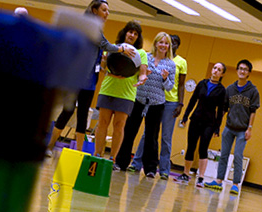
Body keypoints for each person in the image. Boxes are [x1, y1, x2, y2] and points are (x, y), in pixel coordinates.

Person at [45, 0, 135, 158]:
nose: (107, 13)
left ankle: (78, 153)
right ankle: (50, 145)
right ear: (94, 10)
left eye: (108, 10)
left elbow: (99, 50)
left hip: (90, 80)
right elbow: (104, 44)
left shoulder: (98, 27)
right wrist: (121, 49)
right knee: (67, 111)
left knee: (83, 115)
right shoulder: (88, 25)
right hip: (75, 77)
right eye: (104, 10)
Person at [116, 32, 175, 176]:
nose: (163, 45)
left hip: (156, 103)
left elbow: (169, 87)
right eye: (160, 42)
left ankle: (150, 169)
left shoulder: (170, 64)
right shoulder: (145, 57)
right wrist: (143, 74)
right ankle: (121, 162)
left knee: (151, 137)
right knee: (130, 132)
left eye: (166, 43)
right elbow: (135, 76)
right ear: (155, 43)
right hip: (139, 100)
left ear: (169, 46)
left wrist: (165, 78)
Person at [128, 34, 187, 180]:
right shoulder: (146, 58)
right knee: (140, 133)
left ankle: (161, 169)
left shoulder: (177, 63)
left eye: (170, 43)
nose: (167, 45)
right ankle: (133, 163)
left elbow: (177, 85)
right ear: (156, 43)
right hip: (145, 99)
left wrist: (180, 103)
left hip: (165, 102)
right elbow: (138, 75)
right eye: (163, 42)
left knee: (161, 137)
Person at [94, 20, 148, 165]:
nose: (132, 35)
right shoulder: (113, 47)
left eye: (135, 34)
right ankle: (97, 155)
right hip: (108, 89)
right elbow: (104, 69)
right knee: (102, 123)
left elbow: (142, 72)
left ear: (138, 37)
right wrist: (106, 64)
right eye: (130, 31)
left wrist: (142, 79)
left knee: (119, 126)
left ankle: (112, 158)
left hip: (126, 94)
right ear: (125, 32)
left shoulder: (141, 53)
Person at [204, 59, 260, 195]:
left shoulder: (253, 91)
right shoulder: (230, 89)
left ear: (249, 73)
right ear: (237, 71)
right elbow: (224, 109)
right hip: (229, 127)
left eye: (245, 69)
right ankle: (218, 181)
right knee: (224, 154)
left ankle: (235, 184)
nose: (242, 71)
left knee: (238, 156)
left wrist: (250, 128)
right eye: (240, 68)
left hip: (242, 129)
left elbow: (253, 111)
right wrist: (217, 125)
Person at [176, 63, 227, 187]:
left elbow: (220, 111)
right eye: (215, 68)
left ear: (222, 74)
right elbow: (193, 100)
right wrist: (185, 116)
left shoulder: (222, 90)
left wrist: (217, 127)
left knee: (203, 148)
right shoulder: (201, 84)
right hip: (196, 119)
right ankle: (186, 174)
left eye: (219, 70)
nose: (215, 71)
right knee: (191, 146)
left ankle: (201, 177)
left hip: (209, 122)